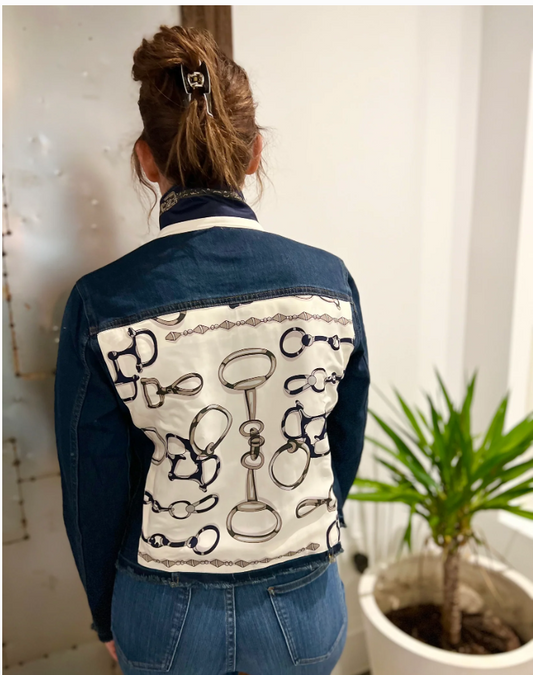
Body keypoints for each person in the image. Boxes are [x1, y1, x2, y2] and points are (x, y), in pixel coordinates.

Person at [54, 24, 370, 675]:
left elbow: (93, 484)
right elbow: (342, 438)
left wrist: (104, 611)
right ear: (254, 153)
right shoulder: (329, 283)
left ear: (145, 159)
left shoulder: (102, 301)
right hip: (302, 603)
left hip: (165, 611)